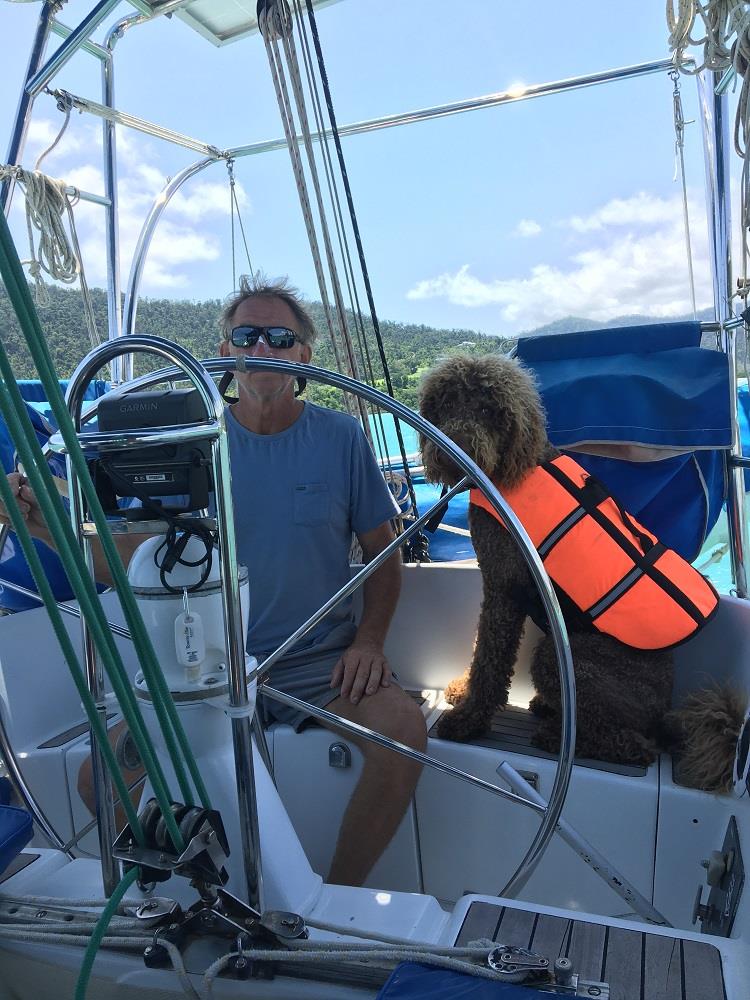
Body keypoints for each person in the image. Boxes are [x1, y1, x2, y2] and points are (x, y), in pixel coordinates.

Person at [0, 274, 427, 887]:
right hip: (206, 664)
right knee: (101, 780)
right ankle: (202, 893)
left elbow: (383, 556)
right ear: (225, 350)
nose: (263, 349)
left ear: (304, 355)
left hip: (318, 664)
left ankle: (336, 898)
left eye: (280, 337)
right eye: (246, 335)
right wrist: (47, 530)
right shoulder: (192, 442)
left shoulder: (340, 437)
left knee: (405, 733)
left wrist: (369, 642)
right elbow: (139, 557)